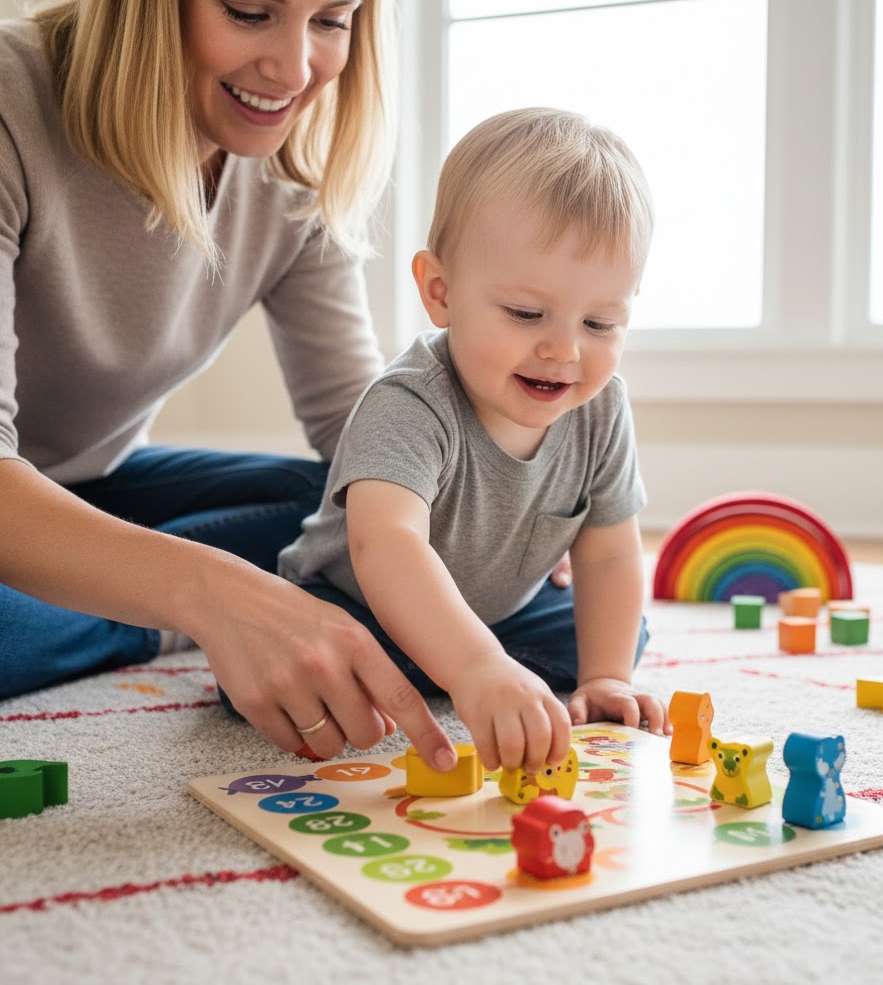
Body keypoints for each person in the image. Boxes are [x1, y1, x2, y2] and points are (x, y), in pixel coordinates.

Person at [0, 0, 460, 772]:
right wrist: (209, 595)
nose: (295, 71)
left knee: (343, 508)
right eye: (250, 13)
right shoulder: (12, 98)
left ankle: (110, 590)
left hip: (81, 484)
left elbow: (360, 425)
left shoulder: (289, 172)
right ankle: (146, 611)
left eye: (332, 21)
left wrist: (488, 497)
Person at [279, 108, 671, 773]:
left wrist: (605, 677)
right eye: (525, 314)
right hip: (357, 605)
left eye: (601, 323)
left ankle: (479, 668)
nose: (564, 349)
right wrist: (478, 667)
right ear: (441, 292)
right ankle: (463, 670)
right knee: (283, 674)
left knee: (620, 633)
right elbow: (387, 545)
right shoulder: (409, 402)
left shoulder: (602, 409)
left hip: (500, 615)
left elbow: (606, 555)